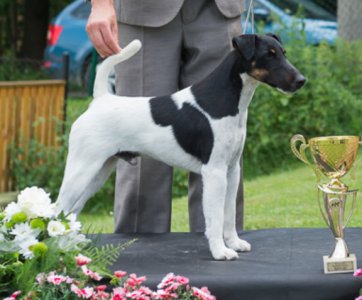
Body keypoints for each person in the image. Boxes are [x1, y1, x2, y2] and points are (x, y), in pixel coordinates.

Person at [86, 0, 246, 233]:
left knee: (222, 149)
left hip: (219, 10)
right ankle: (139, 258)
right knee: (139, 149)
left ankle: (221, 252)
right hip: (142, 12)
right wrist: (100, 4)